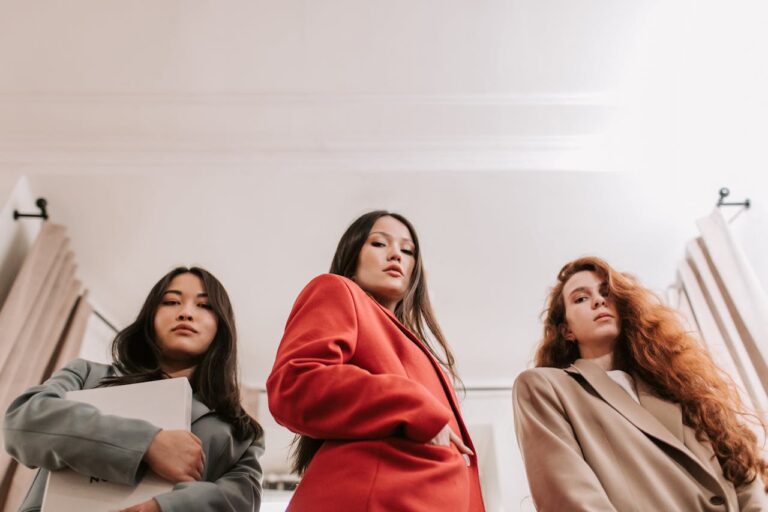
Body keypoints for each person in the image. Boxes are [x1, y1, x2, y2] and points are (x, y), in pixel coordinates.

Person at [267, 210, 485, 511]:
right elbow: (295, 383)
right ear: (352, 255)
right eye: (380, 244)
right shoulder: (337, 289)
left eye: (407, 250)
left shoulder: (416, 348)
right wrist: (414, 405)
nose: (396, 254)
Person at [513, 256, 768, 511]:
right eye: (581, 298)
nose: (599, 300)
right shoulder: (545, 387)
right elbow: (572, 500)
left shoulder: (677, 385)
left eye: (606, 292)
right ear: (567, 329)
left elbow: (741, 470)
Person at [5, 267, 264, 512]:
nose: (186, 313)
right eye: (171, 302)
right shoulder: (87, 374)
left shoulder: (239, 429)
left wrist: (166, 507)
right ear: (150, 316)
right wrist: (147, 444)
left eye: (204, 305)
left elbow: (241, 499)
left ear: (221, 325)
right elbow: (22, 421)